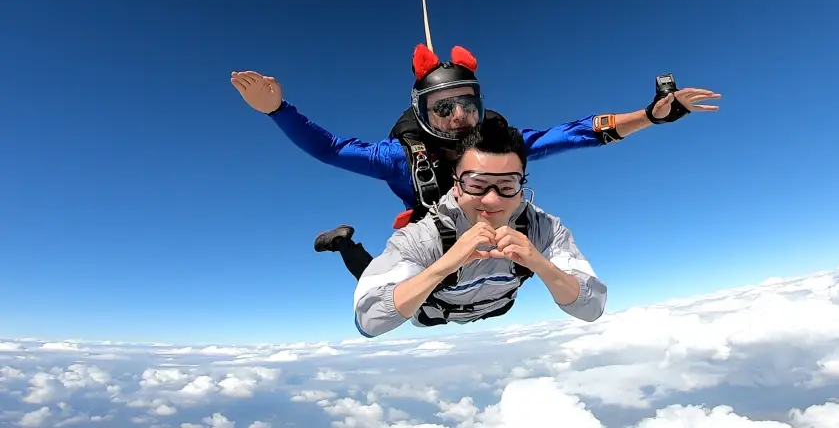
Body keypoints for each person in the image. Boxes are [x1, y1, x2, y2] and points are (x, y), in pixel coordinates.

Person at [231, 43, 721, 279]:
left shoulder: (499, 144)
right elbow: (332, 149)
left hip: (484, 240)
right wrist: (278, 110)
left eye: (468, 104)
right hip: (433, 241)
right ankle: (345, 245)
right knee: (392, 293)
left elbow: (575, 134)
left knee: (510, 271)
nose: (458, 117)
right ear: (420, 112)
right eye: (442, 108)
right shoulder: (400, 158)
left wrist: (650, 116)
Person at [353, 117, 607, 337]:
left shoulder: (541, 228)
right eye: (477, 184)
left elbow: (592, 307)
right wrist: (446, 264)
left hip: (496, 306)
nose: (492, 199)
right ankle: (345, 245)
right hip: (432, 315)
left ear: (521, 191)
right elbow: (369, 320)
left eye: (507, 186)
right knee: (370, 271)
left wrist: (540, 263)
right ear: (456, 185)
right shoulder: (423, 236)